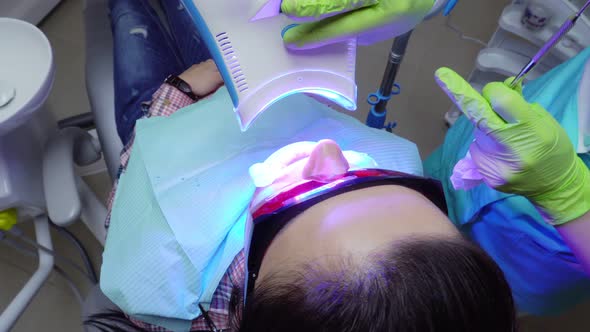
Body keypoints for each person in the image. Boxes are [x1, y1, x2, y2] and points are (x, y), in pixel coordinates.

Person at [86, 0, 588, 331]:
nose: (331, 149)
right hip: (239, 99)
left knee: (132, 20)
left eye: (297, 197)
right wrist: (569, 194)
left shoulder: (176, 289)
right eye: (370, 173)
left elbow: (135, 197)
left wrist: (178, 95)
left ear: (253, 291)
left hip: (173, 117)